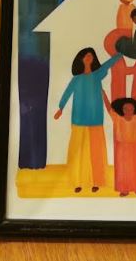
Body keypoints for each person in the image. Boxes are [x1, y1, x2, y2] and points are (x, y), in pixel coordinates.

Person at [54, 48, 121, 193]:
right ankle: (77, 182)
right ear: (81, 59)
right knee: (78, 152)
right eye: (86, 56)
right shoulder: (76, 79)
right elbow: (67, 93)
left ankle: (97, 181)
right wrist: (61, 108)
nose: (89, 57)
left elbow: (108, 64)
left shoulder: (97, 75)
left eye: (91, 55)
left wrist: (120, 53)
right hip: (78, 119)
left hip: (96, 119)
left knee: (96, 152)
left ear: (93, 59)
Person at [102, 90, 136, 196]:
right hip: (122, 149)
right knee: (124, 170)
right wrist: (103, 94)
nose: (128, 111)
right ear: (122, 110)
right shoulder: (117, 118)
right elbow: (108, 107)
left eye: (131, 109)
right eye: (126, 109)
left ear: (134, 109)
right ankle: (124, 189)